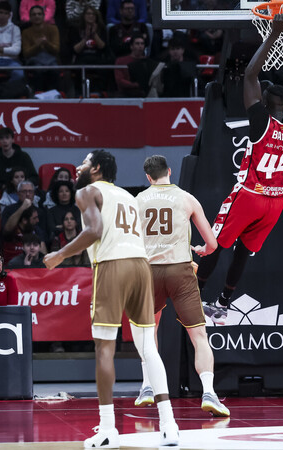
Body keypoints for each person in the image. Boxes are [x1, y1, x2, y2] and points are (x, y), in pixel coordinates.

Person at [44, 150, 179, 447]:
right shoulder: (128, 196)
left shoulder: (86, 191)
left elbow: (94, 231)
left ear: (97, 169)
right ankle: (169, 425)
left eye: (85, 162)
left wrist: (59, 254)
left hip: (112, 266)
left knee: (104, 349)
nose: (79, 166)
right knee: (148, 349)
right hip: (141, 265)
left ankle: (107, 430)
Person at [198, 12, 283, 322]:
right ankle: (224, 303)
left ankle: (194, 296)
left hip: (251, 193)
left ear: (263, 102)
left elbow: (250, 76)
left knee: (215, 243)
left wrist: (273, 34)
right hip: (276, 202)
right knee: (243, 252)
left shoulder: (260, 120)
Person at [135, 155, 230, 417]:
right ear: (169, 172)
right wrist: (201, 248)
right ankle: (209, 392)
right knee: (199, 336)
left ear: (148, 177)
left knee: (148, 331)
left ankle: (146, 386)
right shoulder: (186, 198)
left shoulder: (137, 201)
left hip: (148, 272)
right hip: (180, 270)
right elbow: (212, 243)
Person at [0, 127, 40, 199]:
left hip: (24, 192)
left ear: (13, 140)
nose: (5, 141)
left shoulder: (24, 157)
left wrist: (23, 184)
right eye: (2, 138)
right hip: (2, 193)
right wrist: (3, 186)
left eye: (7, 138)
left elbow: (35, 178)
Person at [21, 5, 60, 92]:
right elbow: (26, 53)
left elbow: (56, 49)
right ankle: (37, 96)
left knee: (54, 71)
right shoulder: (26, 32)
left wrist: (46, 43)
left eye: (39, 14)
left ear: (43, 16)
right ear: (30, 17)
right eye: (34, 14)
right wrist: (37, 45)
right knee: (38, 71)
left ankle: (54, 96)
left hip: (51, 60)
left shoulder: (53, 29)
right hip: (34, 61)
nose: (37, 16)